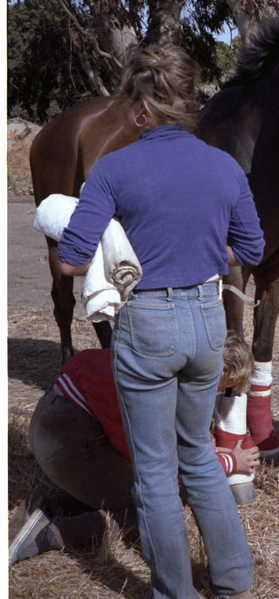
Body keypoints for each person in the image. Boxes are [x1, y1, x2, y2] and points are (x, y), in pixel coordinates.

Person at [52, 44, 263, 599]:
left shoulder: (113, 169)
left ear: (144, 107)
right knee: (196, 454)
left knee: (154, 471)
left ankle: (174, 592)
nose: (124, 111)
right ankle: (234, 578)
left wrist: (107, 251)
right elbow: (251, 250)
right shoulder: (224, 166)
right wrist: (200, 249)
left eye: (127, 101)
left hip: (147, 321)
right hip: (208, 319)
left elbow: (71, 260)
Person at [9, 335, 260, 568]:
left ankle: (51, 504)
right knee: (153, 506)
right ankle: (48, 535)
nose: (219, 394)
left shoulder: (170, 360)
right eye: (225, 389)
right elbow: (164, 462)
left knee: (138, 488)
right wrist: (230, 462)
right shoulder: (175, 389)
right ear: (215, 376)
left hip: (55, 416)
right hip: (68, 437)